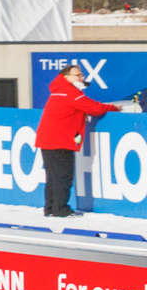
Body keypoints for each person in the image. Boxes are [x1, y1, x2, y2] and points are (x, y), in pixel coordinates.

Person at [36, 64, 128, 218]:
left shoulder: (58, 91)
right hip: (61, 141)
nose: (82, 78)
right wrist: (113, 108)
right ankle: (61, 209)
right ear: (66, 77)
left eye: (82, 75)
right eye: (78, 75)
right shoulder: (71, 93)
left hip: (48, 140)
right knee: (63, 177)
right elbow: (93, 108)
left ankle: (50, 208)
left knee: (52, 177)